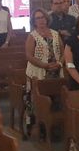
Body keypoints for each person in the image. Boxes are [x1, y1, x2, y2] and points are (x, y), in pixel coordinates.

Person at [23, 9, 64, 137]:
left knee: (54, 99)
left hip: (55, 72)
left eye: (42, 17)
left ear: (47, 18)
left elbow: (63, 52)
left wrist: (59, 63)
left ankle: (54, 126)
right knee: (39, 101)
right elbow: (29, 56)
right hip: (39, 72)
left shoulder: (55, 34)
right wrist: (45, 65)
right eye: (37, 18)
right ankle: (38, 127)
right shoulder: (32, 36)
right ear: (34, 21)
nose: (41, 20)